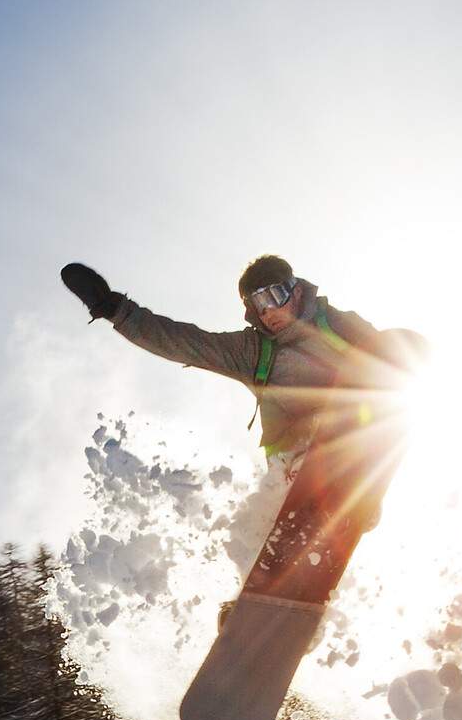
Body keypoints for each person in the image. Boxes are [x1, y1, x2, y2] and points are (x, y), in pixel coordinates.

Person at [61, 255, 426, 604]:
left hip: (354, 434)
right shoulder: (252, 350)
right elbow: (186, 342)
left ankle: (354, 495)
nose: (267, 312)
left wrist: (406, 362)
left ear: (296, 290)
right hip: (295, 458)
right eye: (257, 304)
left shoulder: (337, 324)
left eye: (273, 296)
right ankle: (261, 594)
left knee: (386, 355)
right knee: (260, 525)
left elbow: (389, 355)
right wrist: (116, 309)